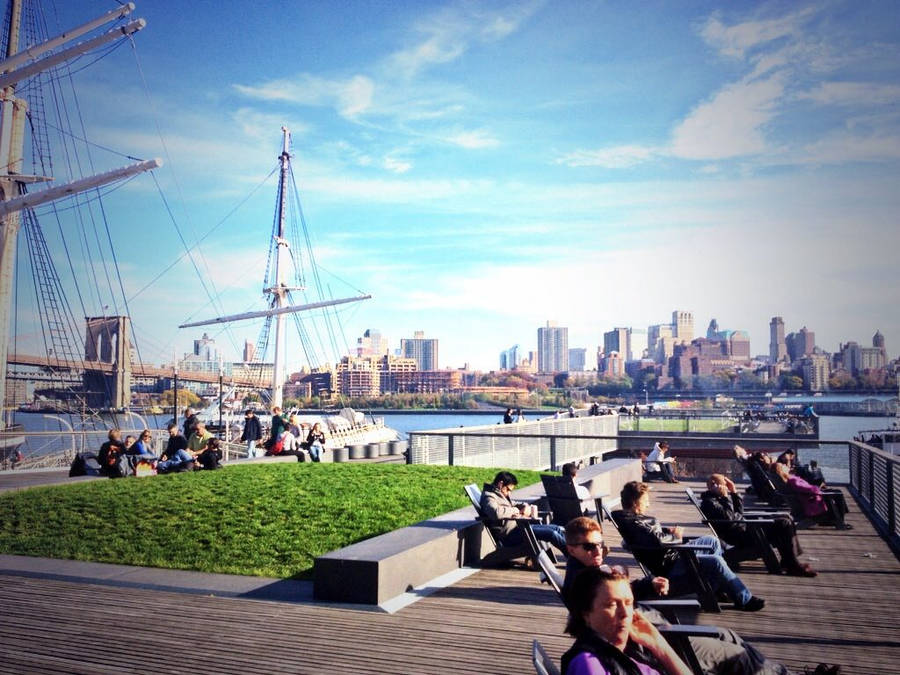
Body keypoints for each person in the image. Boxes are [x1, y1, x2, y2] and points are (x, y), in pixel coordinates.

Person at [562, 518, 789, 675]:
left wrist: (647, 584)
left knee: (727, 635)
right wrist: (656, 642)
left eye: (601, 545)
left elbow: (618, 592)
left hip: (656, 635)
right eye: (590, 546)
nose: (598, 551)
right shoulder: (581, 585)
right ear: (571, 549)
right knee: (740, 657)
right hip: (659, 639)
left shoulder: (591, 573)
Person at [612, 481, 764, 611]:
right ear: (635, 502)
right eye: (645, 500)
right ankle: (744, 599)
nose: (648, 503)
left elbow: (650, 536)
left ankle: (716, 586)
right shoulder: (632, 522)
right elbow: (657, 541)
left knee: (712, 540)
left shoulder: (633, 518)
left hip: (673, 555)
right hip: (671, 565)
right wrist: (675, 536)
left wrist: (666, 531)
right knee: (716, 562)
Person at [562, 567, 692, 675]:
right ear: (586, 613)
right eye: (612, 604)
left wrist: (659, 645)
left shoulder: (630, 653)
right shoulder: (588, 662)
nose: (625, 613)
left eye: (629, 603)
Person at [701, 474, 816, 577]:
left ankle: (789, 560)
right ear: (714, 486)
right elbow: (730, 519)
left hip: (743, 530)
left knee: (786, 518)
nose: (725, 488)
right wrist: (726, 497)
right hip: (740, 536)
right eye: (723, 485)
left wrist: (734, 493)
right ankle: (792, 565)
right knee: (783, 524)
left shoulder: (716, 498)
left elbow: (739, 514)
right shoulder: (710, 502)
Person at [479, 470, 567, 557]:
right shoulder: (489, 497)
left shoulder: (500, 494)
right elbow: (496, 512)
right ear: (501, 484)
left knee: (555, 528)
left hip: (519, 529)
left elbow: (512, 504)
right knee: (552, 534)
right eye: (508, 490)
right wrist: (517, 510)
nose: (509, 493)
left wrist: (525, 506)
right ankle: (573, 556)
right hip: (510, 535)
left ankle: (572, 554)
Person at [773, 463, 850, 526]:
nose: (785, 465)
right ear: (781, 471)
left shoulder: (790, 480)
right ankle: (840, 521)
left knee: (836, 492)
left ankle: (838, 519)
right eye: (783, 465)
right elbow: (809, 489)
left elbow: (805, 488)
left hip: (809, 498)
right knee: (837, 493)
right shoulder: (793, 481)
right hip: (812, 501)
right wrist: (819, 487)